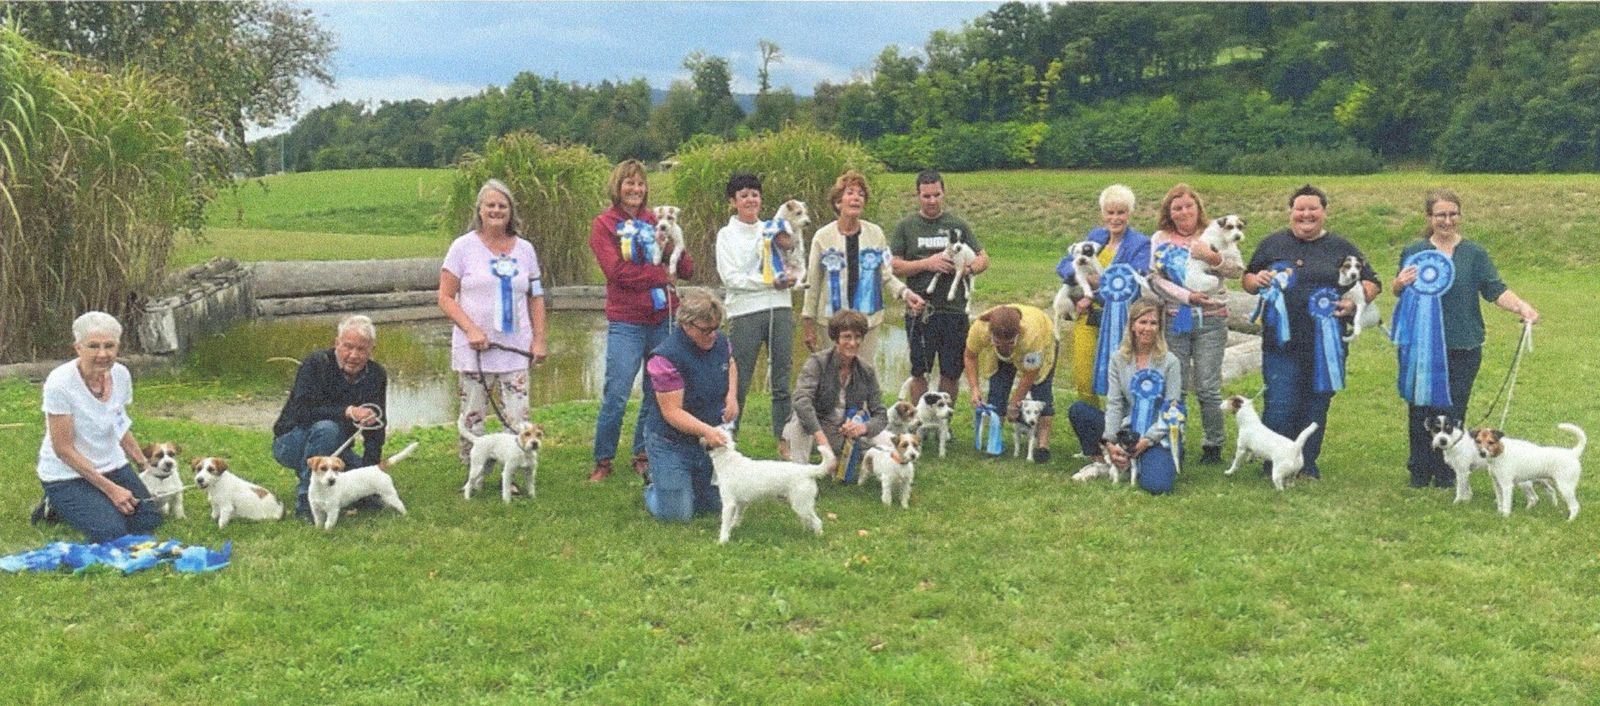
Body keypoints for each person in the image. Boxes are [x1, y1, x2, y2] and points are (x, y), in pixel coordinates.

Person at [1393, 189, 1539, 488]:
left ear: (1459, 216)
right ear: (1429, 217)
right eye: (1440, 215)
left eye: (1452, 214)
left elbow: (1495, 289)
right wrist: (1399, 283)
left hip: (1464, 343)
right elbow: (1399, 290)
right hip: (1423, 345)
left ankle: (1448, 471)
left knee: (1454, 409)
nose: (1447, 221)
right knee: (1420, 407)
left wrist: (1522, 307)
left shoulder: (1474, 253)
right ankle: (1419, 470)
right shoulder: (1415, 250)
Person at [1242, 184, 1380, 480]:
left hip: (1326, 344)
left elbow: (1372, 282)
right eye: (1300, 209)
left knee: (1316, 404)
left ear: (1324, 212)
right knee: (1280, 404)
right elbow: (1248, 279)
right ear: (1290, 212)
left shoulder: (1342, 247)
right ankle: (1274, 464)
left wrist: (1352, 304)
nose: (1306, 214)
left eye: (1313, 209)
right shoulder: (1272, 244)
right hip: (1280, 342)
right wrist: (1257, 279)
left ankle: (1306, 465)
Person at [587, 160, 694, 482]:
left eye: (640, 183)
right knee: (617, 391)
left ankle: (643, 453)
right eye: (629, 183)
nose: (635, 189)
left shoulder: (658, 220)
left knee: (656, 390)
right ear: (617, 187)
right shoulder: (604, 225)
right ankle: (603, 459)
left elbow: (686, 269)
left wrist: (673, 244)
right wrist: (661, 275)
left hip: (663, 318)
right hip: (627, 320)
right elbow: (616, 272)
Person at [438, 179, 548, 473]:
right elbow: (445, 297)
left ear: (511, 211)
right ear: (480, 210)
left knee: (518, 416)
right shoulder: (462, 248)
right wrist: (471, 329)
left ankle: (513, 469)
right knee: (473, 414)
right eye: (491, 205)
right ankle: (474, 472)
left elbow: (536, 297)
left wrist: (539, 339)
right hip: (475, 348)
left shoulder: (525, 250)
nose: (496, 211)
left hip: (515, 348)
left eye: (503, 206)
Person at [32, 311, 162, 542]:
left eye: (109, 346)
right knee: (111, 532)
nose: (103, 354)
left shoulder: (121, 375)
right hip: (67, 472)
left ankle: (92, 500)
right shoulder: (59, 383)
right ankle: (54, 504)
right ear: (78, 348)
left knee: (148, 520)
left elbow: (118, 421)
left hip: (111, 464)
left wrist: (143, 463)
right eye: (93, 346)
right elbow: (63, 449)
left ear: (118, 347)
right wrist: (111, 489)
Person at [1148, 183, 1242, 465]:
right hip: (1177, 317)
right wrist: (1188, 296)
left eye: (1189, 206)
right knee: (1175, 385)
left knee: (1208, 387)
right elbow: (1156, 279)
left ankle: (1213, 444)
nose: (1184, 212)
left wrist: (1212, 257)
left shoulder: (1217, 233)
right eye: (1177, 208)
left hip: (1212, 319)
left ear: (1198, 208)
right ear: (1169, 212)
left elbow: (1237, 270)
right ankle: (1174, 438)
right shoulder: (1160, 239)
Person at [271, 314, 389, 521]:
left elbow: (376, 428)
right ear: (337, 343)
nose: (353, 355)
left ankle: (359, 495)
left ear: (372, 350)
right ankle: (306, 505)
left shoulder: (376, 375)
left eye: (361, 349)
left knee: (357, 477)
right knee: (327, 428)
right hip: (290, 440)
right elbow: (301, 413)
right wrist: (346, 412)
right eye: (348, 347)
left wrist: (370, 477)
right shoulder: (315, 364)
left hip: (339, 447)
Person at [801, 169, 925, 363]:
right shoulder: (822, 237)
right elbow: (813, 282)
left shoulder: (876, 234)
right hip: (831, 321)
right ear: (838, 202)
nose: (856, 198)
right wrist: (808, 322)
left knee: (864, 372)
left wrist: (906, 294)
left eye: (861, 194)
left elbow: (885, 275)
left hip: (868, 320)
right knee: (834, 372)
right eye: (850, 193)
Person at [1066, 299, 1184, 494]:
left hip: (1157, 434)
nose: (1148, 328)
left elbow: (1172, 410)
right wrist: (1110, 443)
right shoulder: (1118, 359)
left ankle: (1145, 460)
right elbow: (1115, 404)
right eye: (1142, 322)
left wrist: (1146, 441)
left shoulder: (1171, 362)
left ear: (1159, 327)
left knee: (1158, 487)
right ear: (1132, 325)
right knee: (1079, 411)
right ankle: (1104, 461)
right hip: (1127, 429)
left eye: (1153, 323)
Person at [891, 169, 989, 403]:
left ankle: (944, 418)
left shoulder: (957, 225)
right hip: (921, 309)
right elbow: (894, 266)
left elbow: (983, 258)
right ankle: (919, 419)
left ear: (943, 193)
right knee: (919, 371)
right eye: (926, 196)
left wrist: (968, 269)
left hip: (954, 310)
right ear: (918, 196)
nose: (932, 201)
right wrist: (927, 263)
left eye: (936, 195)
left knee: (951, 372)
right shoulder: (906, 226)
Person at [714, 172, 795, 453]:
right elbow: (731, 278)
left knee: (782, 380)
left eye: (755, 195)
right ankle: (728, 440)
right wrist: (768, 282)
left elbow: (791, 262)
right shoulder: (726, 235)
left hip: (780, 308)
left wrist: (790, 273)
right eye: (744, 195)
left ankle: (785, 440)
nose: (750, 200)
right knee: (738, 381)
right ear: (733, 201)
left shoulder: (774, 230)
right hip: (744, 312)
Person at [641, 288, 737, 522]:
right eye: (706, 330)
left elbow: (730, 363)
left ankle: (686, 484)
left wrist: (732, 396)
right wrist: (707, 431)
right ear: (686, 324)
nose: (712, 335)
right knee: (678, 515)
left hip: (707, 440)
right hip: (671, 442)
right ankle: (653, 485)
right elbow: (672, 412)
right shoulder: (665, 358)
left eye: (716, 328)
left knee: (714, 506)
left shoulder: (720, 341)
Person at [1054, 184, 1151, 406]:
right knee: (1083, 377)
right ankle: (1092, 423)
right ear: (1102, 213)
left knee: (1119, 378)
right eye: (1110, 212)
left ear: (1130, 213)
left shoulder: (1140, 244)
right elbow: (1064, 264)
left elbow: (1135, 279)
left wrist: (1098, 282)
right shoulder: (1095, 236)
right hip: (1088, 314)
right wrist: (1081, 277)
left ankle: (1119, 422)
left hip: (1120, 319)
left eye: (1121, 212)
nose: (1115, 218)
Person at [782, 310, 889, 465]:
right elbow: (801, 401)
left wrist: (863, 428)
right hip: (817, 429)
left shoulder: (866, 371)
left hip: (844, 429)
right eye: (847, 337)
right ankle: (800, 470)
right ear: (836, 338)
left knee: (886, 441)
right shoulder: (817, 363)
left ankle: (851, 460)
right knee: (800, 421)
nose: (853, 343)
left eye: (857, 337)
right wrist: (822, 441)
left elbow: (881, 415)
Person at [962, 304, 1058, 463]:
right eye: (998, 343)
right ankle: (995, 442)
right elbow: (970, 356)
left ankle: (1043, 446)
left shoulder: (1032, 336)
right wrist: (974, 389)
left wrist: (1014, 404)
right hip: (1000, 356)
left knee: (1041, 391)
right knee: (997, 391)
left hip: (1043, 336)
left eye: (1010, 343)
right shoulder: (980, 328)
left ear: (1018, 334)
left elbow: (1031, 373)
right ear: (991, 334)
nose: (1005, 348)